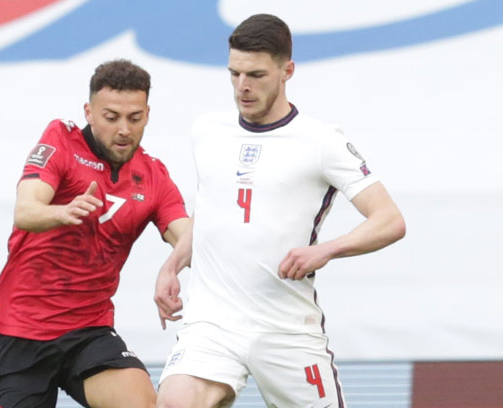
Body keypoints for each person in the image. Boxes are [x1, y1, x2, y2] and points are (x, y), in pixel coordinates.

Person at [154, 14, 406, 408]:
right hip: (213, 322)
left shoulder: (321, 141)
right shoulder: (207, 131)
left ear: (287, 70)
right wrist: (172, 265)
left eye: (255, 74)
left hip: (285, 328)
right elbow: (212, 213)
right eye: (234, 74)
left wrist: (324, 250)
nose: (243, 87)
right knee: (175, 402)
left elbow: (389, 220)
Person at [0, 59, 189, 408]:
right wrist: (61, 212)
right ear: (89, 112)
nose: (124, 129)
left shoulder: (153, 176)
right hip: (21, 330)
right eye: (111, 117)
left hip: (89, 331)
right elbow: (26, 210)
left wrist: (171, 267)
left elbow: (189, 238)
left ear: (147, 114)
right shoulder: (61, 140)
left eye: (134, 118)